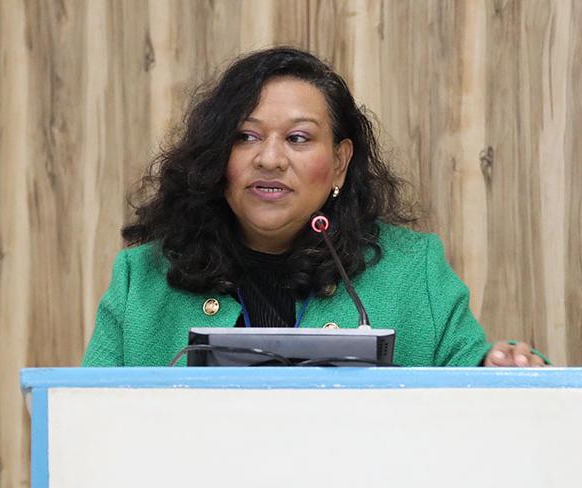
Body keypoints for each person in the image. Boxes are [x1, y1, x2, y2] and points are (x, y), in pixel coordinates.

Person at [82, 47, 546, 368]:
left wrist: (503, 366)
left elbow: (475, 380)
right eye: (246, 136)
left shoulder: (413, 271)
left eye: (298, 138)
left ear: (340, 163)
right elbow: (87, 421)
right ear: (217, 156)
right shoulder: (140, 280)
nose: (270, 159)